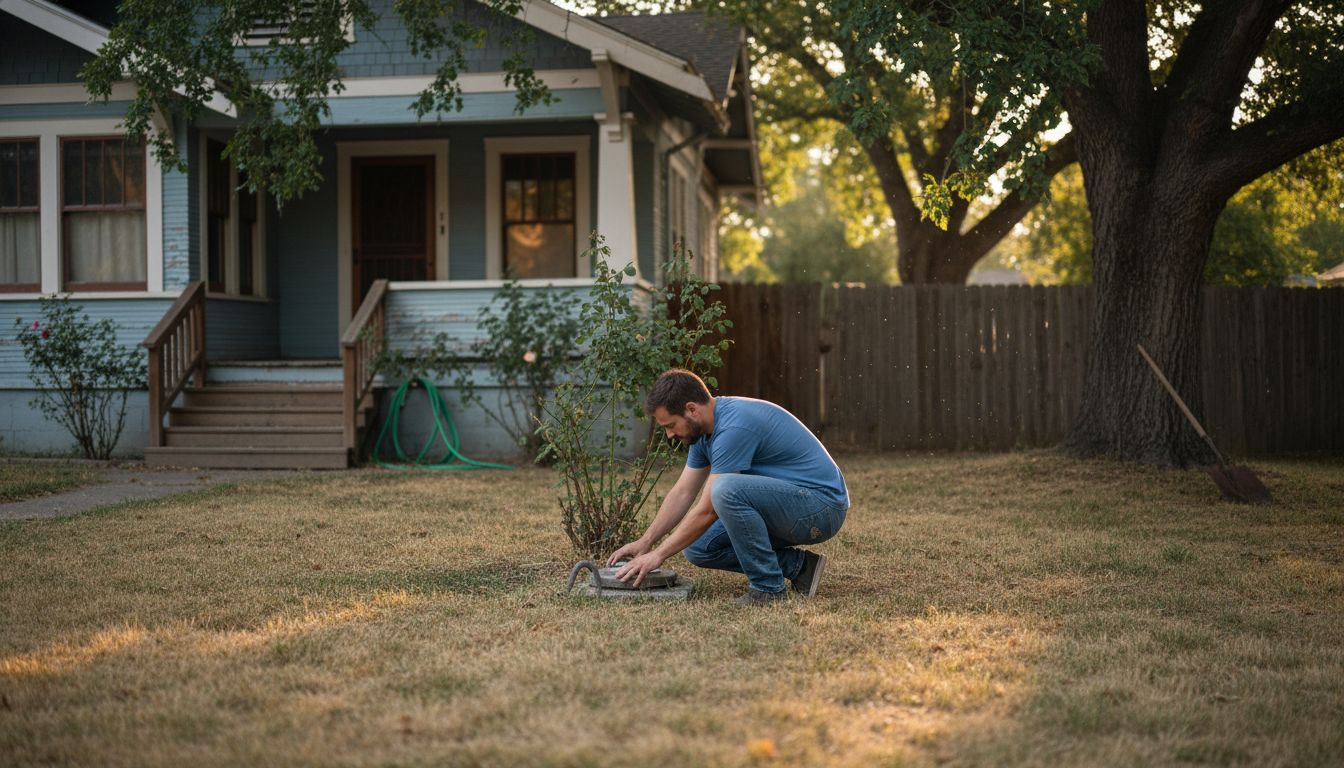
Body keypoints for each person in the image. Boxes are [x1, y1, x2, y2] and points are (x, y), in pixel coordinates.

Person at [610, 368, 850, 604]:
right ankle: (800, 567)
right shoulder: (704, 433)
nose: (669, 435)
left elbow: (708, 510)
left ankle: (768, 589)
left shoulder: (734, 427)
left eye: (670, 425)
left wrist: (658, 556)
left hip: (821, 509)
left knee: (725, 489)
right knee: (698, 548)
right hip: (794, 505)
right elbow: (682, 493)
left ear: (691, 409)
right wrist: (646, 541)